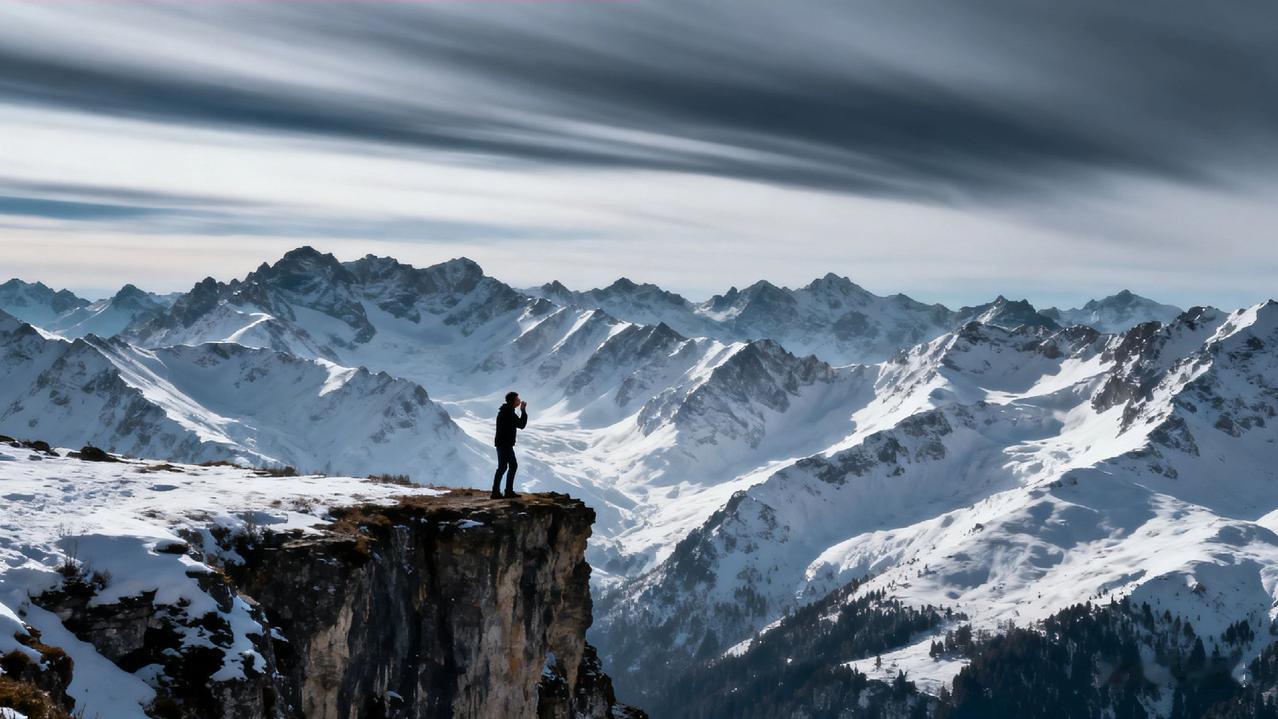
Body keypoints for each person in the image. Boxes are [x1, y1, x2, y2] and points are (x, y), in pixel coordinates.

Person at [492, 391, 528, 499]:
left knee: (504, 467)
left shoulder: (506, 411)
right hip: (505, 444)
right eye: (517, 399)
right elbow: (521, 425)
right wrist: (523, 411)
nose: (519, 401)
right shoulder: (509, 412)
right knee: (509, 466)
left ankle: (499, 491)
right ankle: (504, 491)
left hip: (502, 443)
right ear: (513, 401)